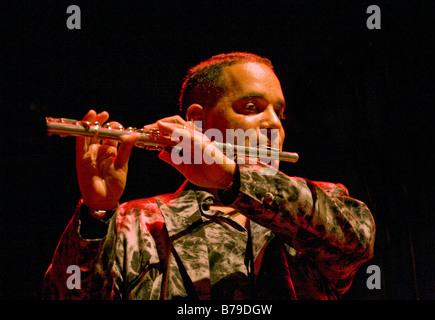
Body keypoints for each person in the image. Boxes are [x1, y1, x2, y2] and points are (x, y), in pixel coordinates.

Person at [43, 52, 376, 300]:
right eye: (251, 107)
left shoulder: (320, 203)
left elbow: (356, 242)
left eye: (280, 112)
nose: (274, 124)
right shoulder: (137, 221)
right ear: (198, 123)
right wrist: (96, 214)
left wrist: (232, 178)